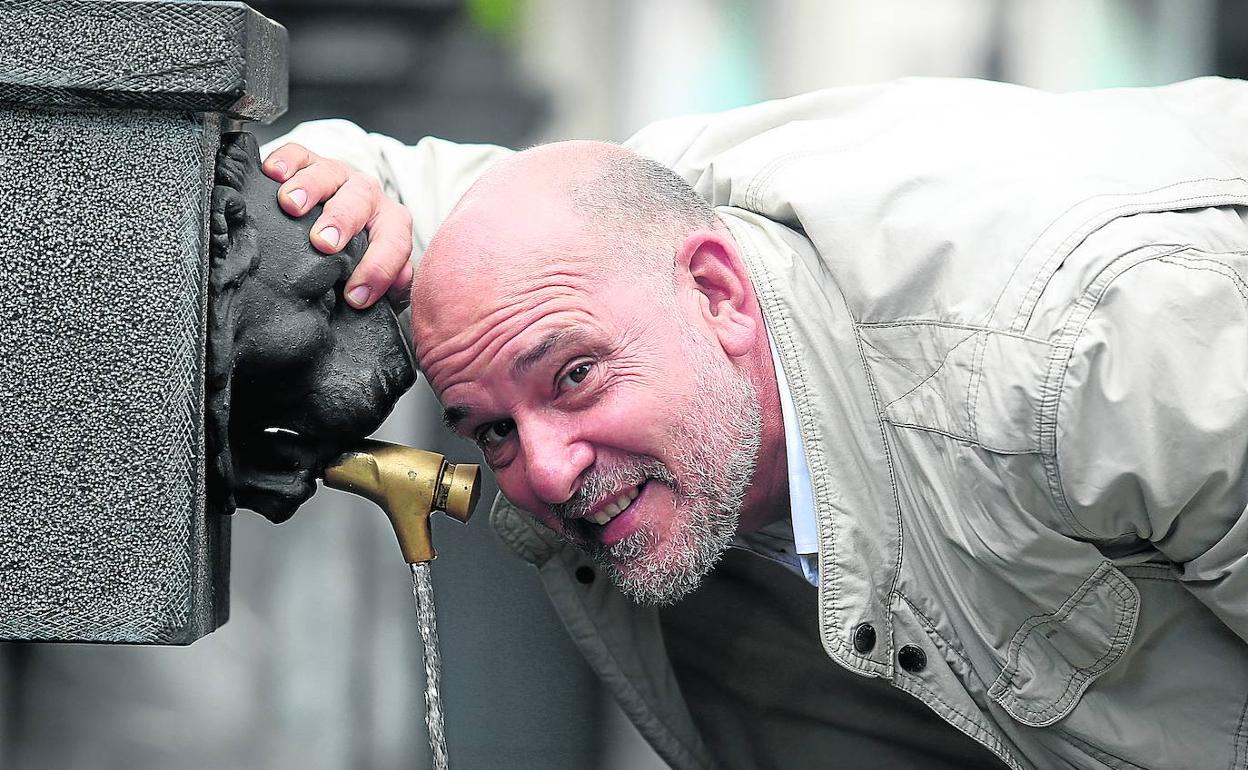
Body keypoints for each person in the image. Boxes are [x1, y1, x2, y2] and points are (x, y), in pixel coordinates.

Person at [258, 77, 1248, 769]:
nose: (549, 471)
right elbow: (387, 191)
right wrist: (327, 183)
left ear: (720, 296)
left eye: (574, 376)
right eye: (493, 431)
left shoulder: (1106, 350)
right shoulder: (591, 257)